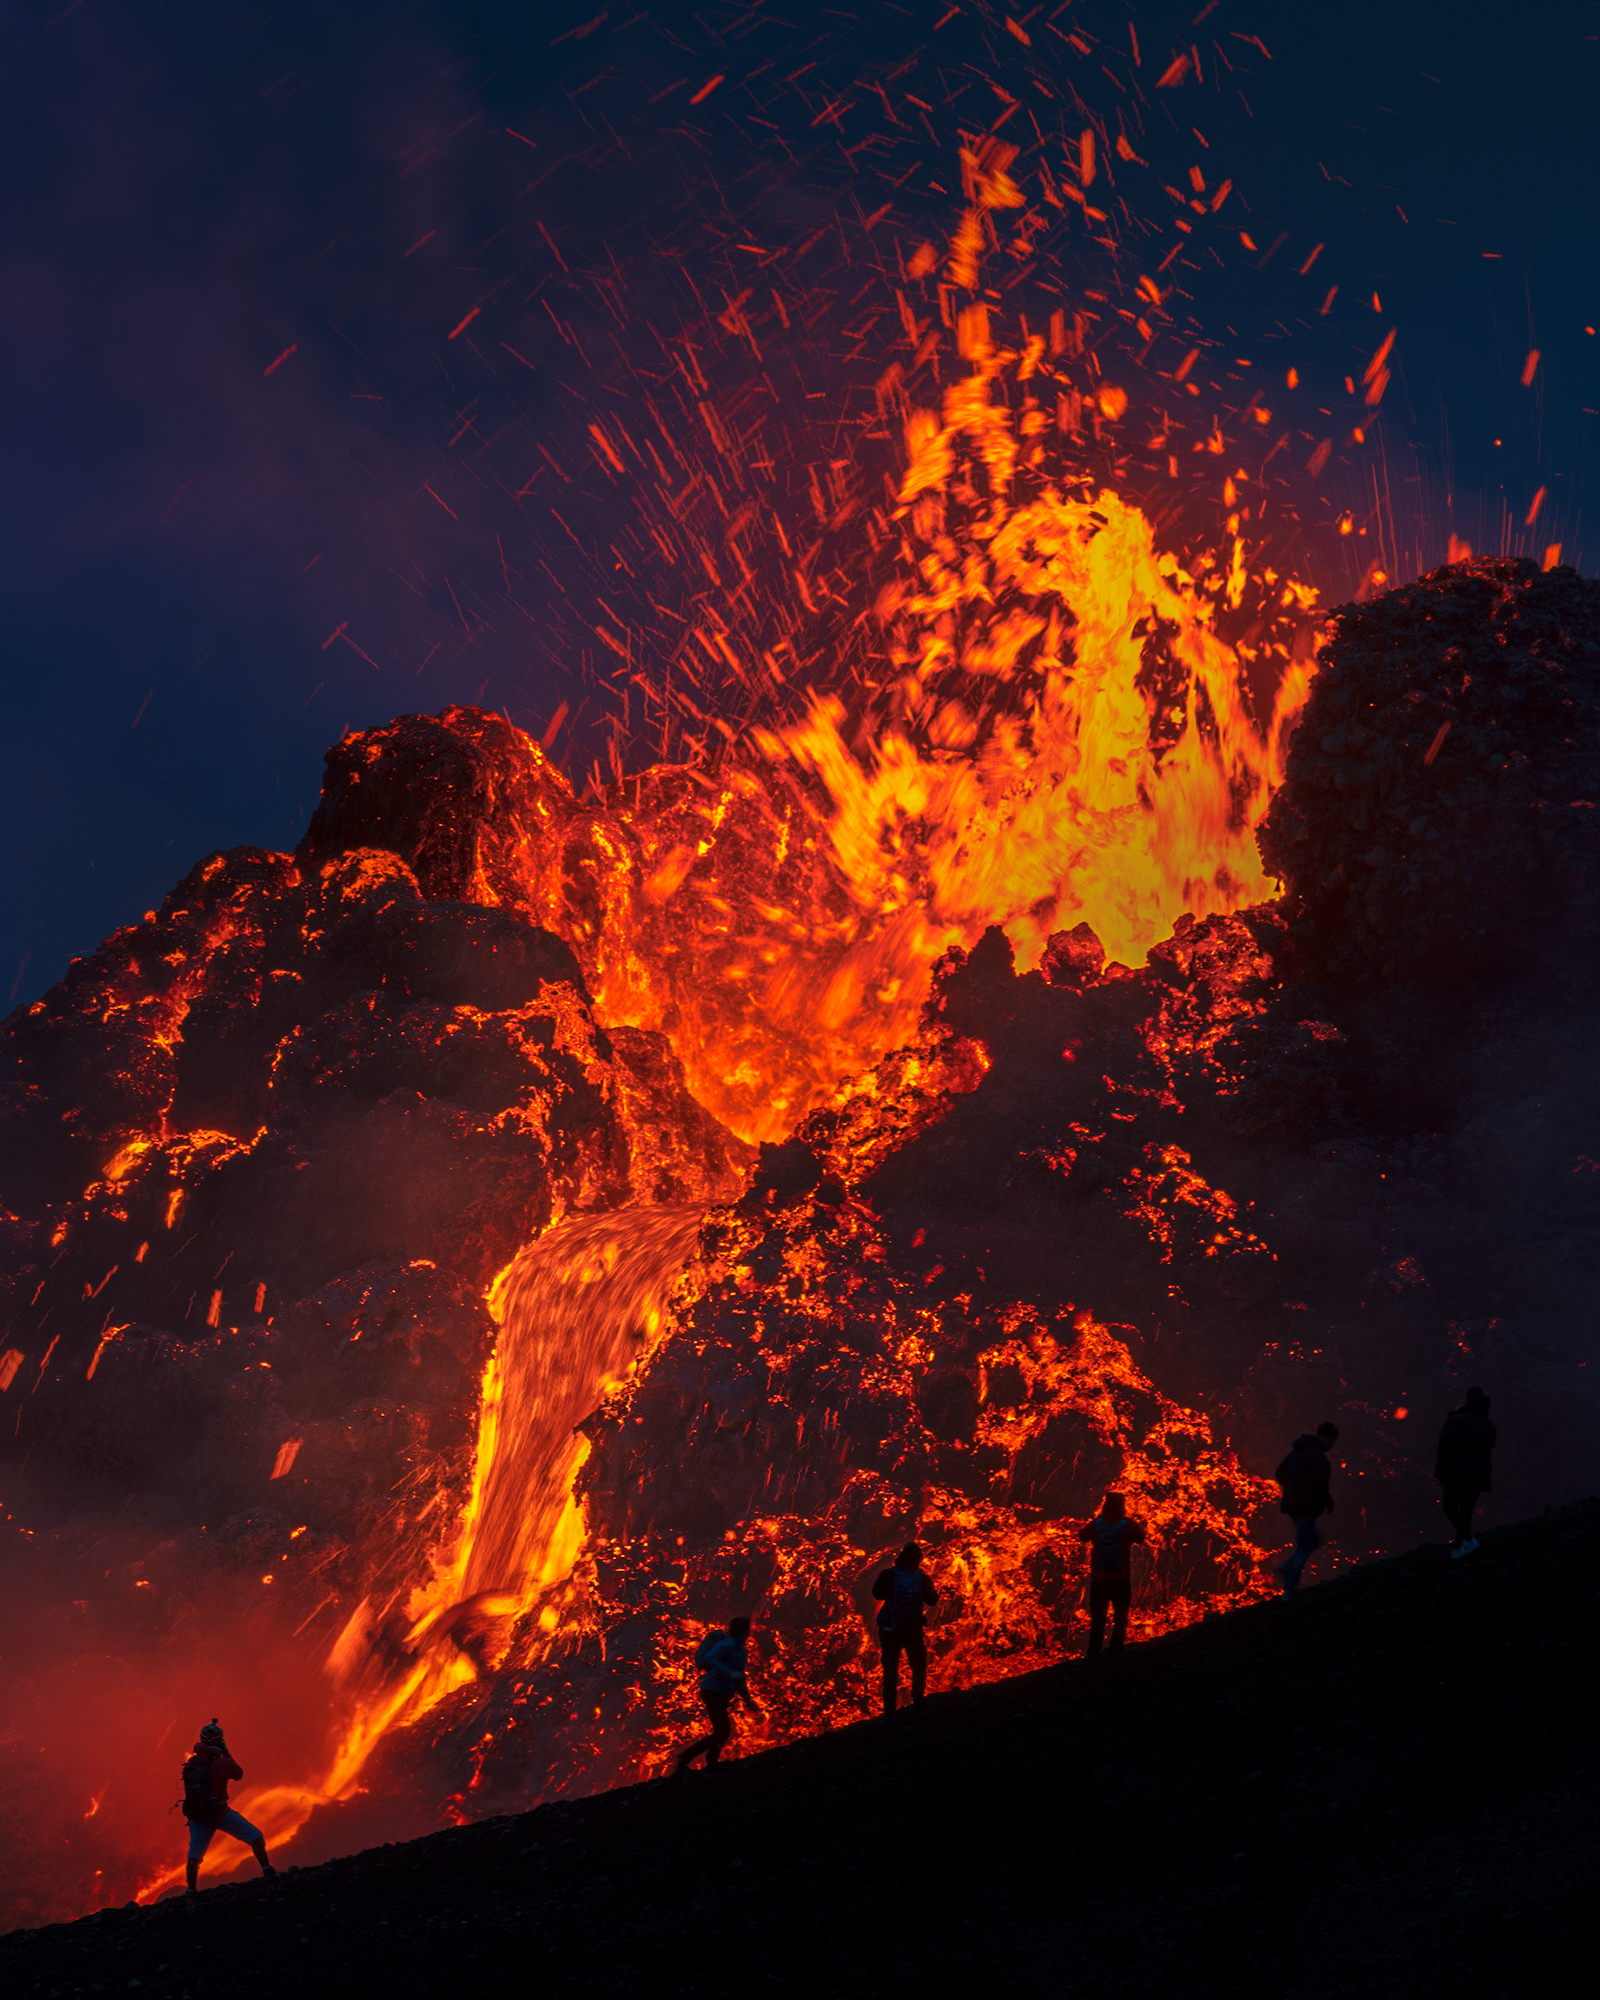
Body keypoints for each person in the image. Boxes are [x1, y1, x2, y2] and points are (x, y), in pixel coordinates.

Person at [181, 1719, 276, 1907]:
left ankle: (191, 1890)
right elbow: (238, 1774)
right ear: (219, 1741)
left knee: (195, 1855)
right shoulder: (222, 1763)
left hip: (198, 1818)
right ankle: (268, 1871)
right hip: (219, 1814)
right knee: (255, 1837)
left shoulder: (191, 1763)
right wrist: (226, 1751)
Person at [675, 1617, 761, 1771]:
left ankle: (703, 1759)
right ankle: (696, 1758)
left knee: (722, 1730)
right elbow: (711, 1657)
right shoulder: (728, 1644)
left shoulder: (741, 1651)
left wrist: (747, 1700)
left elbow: (740, 1677)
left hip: (721, 1692)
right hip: (712, 1690)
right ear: (747, 1631)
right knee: (723, 1730)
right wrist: (730, 1673)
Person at [1077, 1491, 1147, 1658]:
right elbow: (1141, 1538)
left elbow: (1082, 1537)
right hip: (1120, 1579)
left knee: (1098, 1619)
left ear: (1105, 1505)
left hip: (1099, 1580)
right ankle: (1116, 1650)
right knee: (1121, 1617)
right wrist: (1130, 1521)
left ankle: (1093, 1653)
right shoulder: (1128, 1526)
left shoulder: (1096, 1525)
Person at [872, 1542, 939, 1713]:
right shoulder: (922, 1578)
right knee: (918, 1664)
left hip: (890, 1629)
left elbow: (876, 1593)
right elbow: (932, 1600)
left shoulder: (889, 1575)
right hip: (913, 1628)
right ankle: (918, 1699)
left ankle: (890, 1710)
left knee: (891, 1669)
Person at [1274, 1421, 1339, 1595]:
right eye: (1333, 1441)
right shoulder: (1317, 1456)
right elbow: (1320, 1483)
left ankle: (1285, 1568)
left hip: (1292, 1505)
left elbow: (1280, 1473)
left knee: (1314, 1540)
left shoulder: (1297, 1452)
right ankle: (1289, 1589)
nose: (1332, 1445)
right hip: (1305, 1507)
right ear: (1327, 1438)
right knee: (1304, 1547)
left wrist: (1292, 1488)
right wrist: (1327, 1500)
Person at [1436, 1384, 1497, 1557]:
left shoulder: (1456, 1421)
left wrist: (1441, 1474)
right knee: (1466, 1511)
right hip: (1479, 1476)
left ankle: (1469, 1541)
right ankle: (1459, 1549)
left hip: (1457, 1474)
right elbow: (1490, 1446)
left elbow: (1445, 1448)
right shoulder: (1489, 1425)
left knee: (1449, 1508)